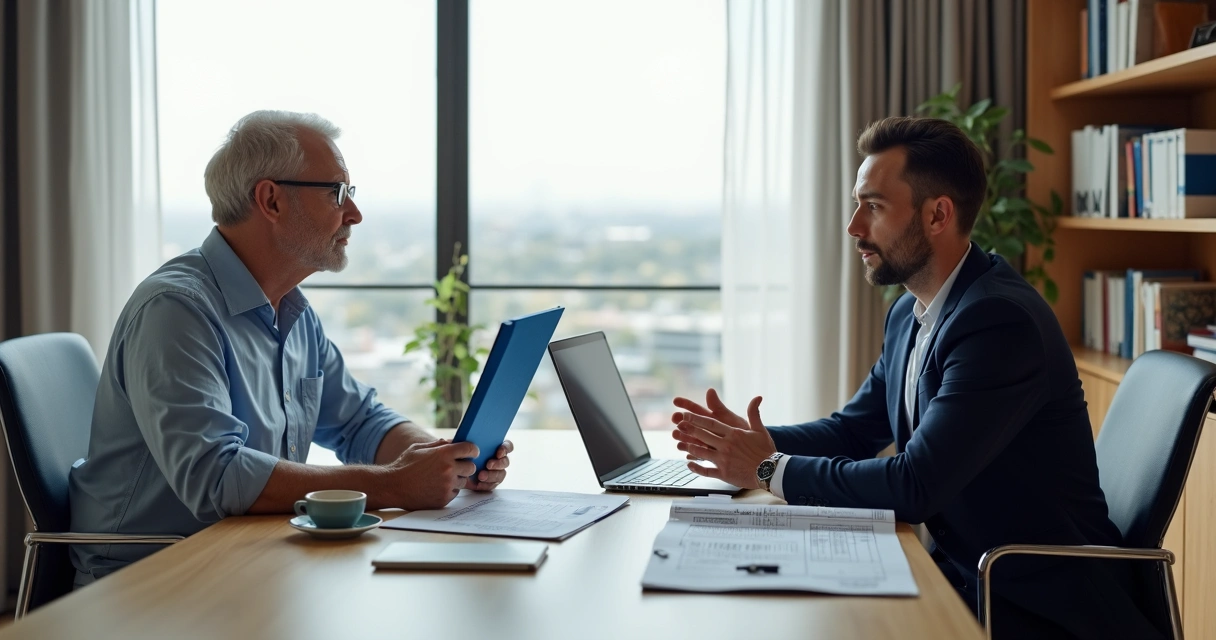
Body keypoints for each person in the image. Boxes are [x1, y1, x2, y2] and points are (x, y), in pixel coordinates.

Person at [671, 117, 1165, 639]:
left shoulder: (998, 322)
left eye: (874, 206)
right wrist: (749, 446)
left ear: (938, 214)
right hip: (963, 574)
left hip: (1034, 603)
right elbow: (853, 431)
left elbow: (915, 485)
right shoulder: (910, 314)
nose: (854, 226)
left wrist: (769, 469)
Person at [68, 110, 511, 585]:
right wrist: (397, 484)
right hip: (151, 580)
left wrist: (442, 457)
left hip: (247, 560)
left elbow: (361, 421)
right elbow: (216, 476)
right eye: (337, 193)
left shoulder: (294, 314)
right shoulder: (175, 311)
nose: (354, 214)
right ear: (271, 199)